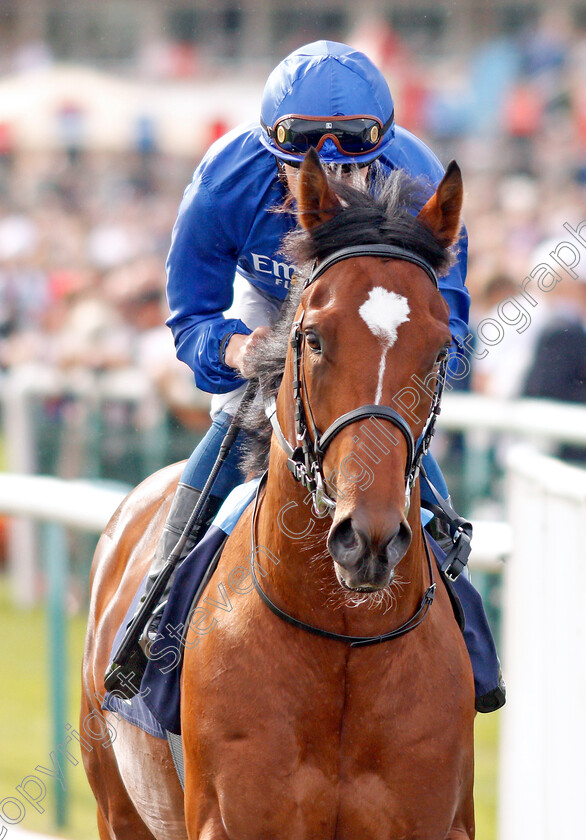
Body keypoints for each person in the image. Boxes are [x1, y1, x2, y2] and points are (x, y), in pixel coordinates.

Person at [111, 41, 505, 712]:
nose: (315, 177)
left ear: (379, 151)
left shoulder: (420, 177)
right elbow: (191, 317)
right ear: (272, 149)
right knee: (232, 417)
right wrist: (240, 352)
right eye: (297, 165)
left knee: (395, 441)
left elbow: (452, 320)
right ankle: (152, 614)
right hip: (267, 307)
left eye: (344, 162)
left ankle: (461, 606)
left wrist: (405, 372)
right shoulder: (223, 178)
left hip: (372, 311)